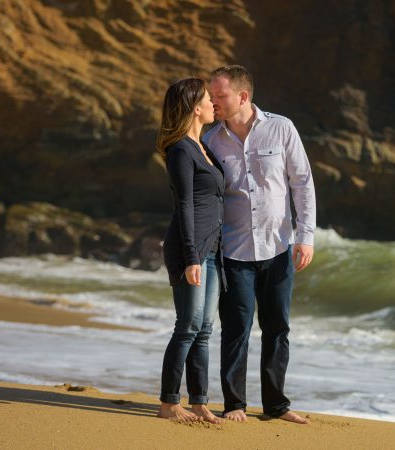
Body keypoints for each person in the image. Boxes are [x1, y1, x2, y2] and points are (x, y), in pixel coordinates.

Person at [204, 65, 316, 424]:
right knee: (235, 329)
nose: (213, 102)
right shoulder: (210, 140)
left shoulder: (281, 128)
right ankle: (234, 404)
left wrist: (306, 236)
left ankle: (276, 406)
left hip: (279, 246)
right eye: (211, 96)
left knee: (277, 327)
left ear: (242, 96)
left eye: (219, 95)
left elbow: (302, 183)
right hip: (233, 250)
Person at [156, 78, 225, 424]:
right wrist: (191, 256)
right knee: (187, 326)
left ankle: (199, 401)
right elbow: (183, 205)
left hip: (211, 248)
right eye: (209, 99)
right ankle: (169, 403)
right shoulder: (182, 149)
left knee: (205, 328)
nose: (214, 103)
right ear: (195, 107)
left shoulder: (203, 147)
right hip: (191, 249)